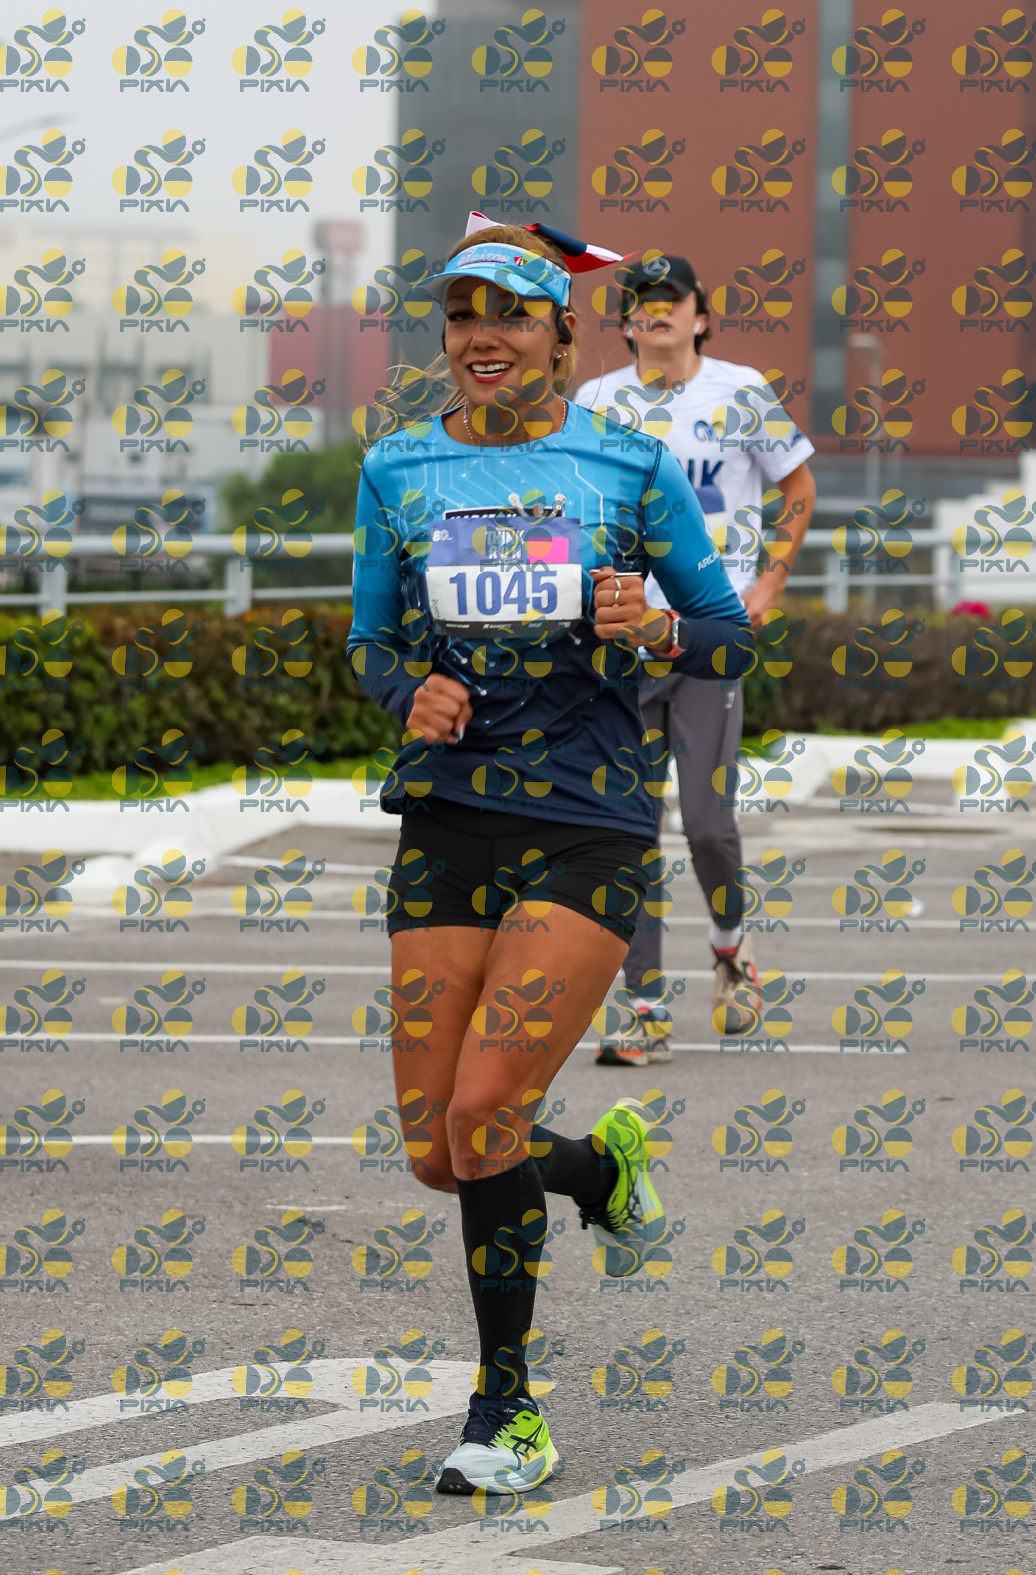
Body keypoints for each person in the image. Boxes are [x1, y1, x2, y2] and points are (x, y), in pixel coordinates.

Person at [346, 219, 753, 1496]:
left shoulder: (626, 464)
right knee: (438, 1147)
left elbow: (731, 637)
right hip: (448, 818)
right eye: (463, 314)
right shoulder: (397, 466)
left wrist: (658, 626)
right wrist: (405, 689)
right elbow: (368, 643)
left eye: (511, 315)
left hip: (588, 820)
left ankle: (506, 1412)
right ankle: (597, 1169)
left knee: (483, 1115)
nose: (483, 336)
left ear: (561, 336)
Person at [575, 253, 816, 1067]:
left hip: (709, 637)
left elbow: (799, 490)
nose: (655, 312)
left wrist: (770, 582)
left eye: (670, 300)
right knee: (630, 828)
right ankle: (643, 1006)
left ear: (699, 317)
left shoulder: (742, 391)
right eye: (640, 302)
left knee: (708, 824)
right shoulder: (596, 402)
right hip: (624, 642)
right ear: (625, 322)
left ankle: (729, 947)